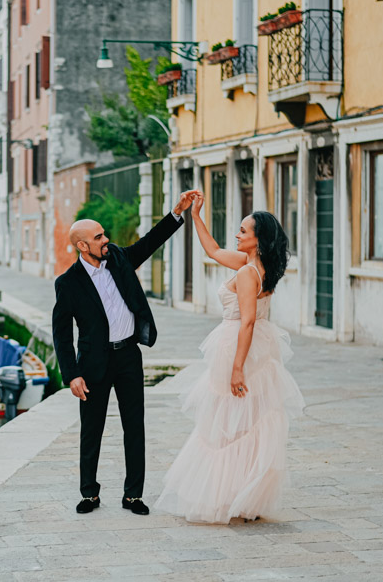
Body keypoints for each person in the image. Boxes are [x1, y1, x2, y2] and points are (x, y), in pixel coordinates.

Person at [154, 194, 305, 523]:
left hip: (240, 346)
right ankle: (242, 494)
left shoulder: (249, 272)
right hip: (255, 345)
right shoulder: (254, 264)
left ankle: (229, 496)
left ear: (257, 239)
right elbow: (212, 251)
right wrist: (196, 216)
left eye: (242, 231)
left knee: (226, 426)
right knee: (245, 424)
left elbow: (248, 320)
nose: (237, 235)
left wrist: (237, 368)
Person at [52, 189, 198, 515]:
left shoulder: (117, 257)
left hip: (128, 356)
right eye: (99, 236)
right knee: (92, 431)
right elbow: (61, 335)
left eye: (104, 234)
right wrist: (71, 374)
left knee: (135, 427)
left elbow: (148, 243)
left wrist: (177, 212)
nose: (106, 239)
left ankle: (133, 495)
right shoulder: (68, 283)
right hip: (92, 363)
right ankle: (89, 494)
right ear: (82, 246)